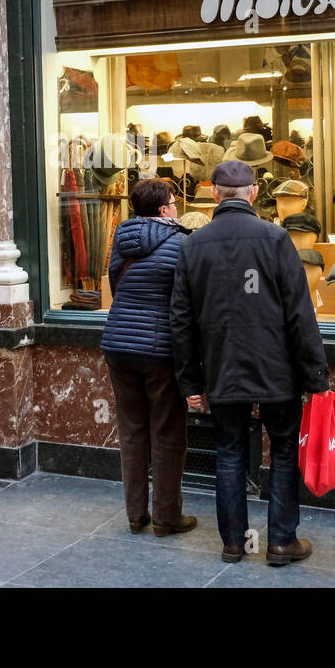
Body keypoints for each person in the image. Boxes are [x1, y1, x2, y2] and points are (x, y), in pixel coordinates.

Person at [171, 159, 330, 566]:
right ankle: (279, 541)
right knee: (281, 451)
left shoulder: (193, 244)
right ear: (254, 193)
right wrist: (315, 377)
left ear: (213, 191)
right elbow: (299, 313)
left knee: (229, 452)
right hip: (276, 367)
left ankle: (234, 543)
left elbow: (182, 322)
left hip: (221, 367)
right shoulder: (275, 238)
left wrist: (190, 384)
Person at [100, 178, 196, 537]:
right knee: (168, 434)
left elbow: (115, 282)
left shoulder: (122, 238)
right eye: (173, 201)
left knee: (132, 432)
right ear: (163, 210)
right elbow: (185, 301)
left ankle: (135, 514)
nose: (176, 206)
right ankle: (167, 517)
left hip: (118, 346)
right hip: (160, 350)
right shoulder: (182, 242)